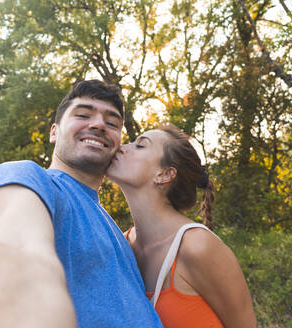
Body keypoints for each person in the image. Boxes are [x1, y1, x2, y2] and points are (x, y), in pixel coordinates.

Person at [0, 80, 163, 328]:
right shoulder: (31, 180)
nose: (99, 124)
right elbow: (16, 253)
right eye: (83, 114)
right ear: (54, 132)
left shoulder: (110, 224)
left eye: (112, 123)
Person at [106, 124, 257, 328]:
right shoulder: (120, 246)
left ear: (165, 174)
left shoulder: (198, 247)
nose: (122, 147)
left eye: (140, 146)